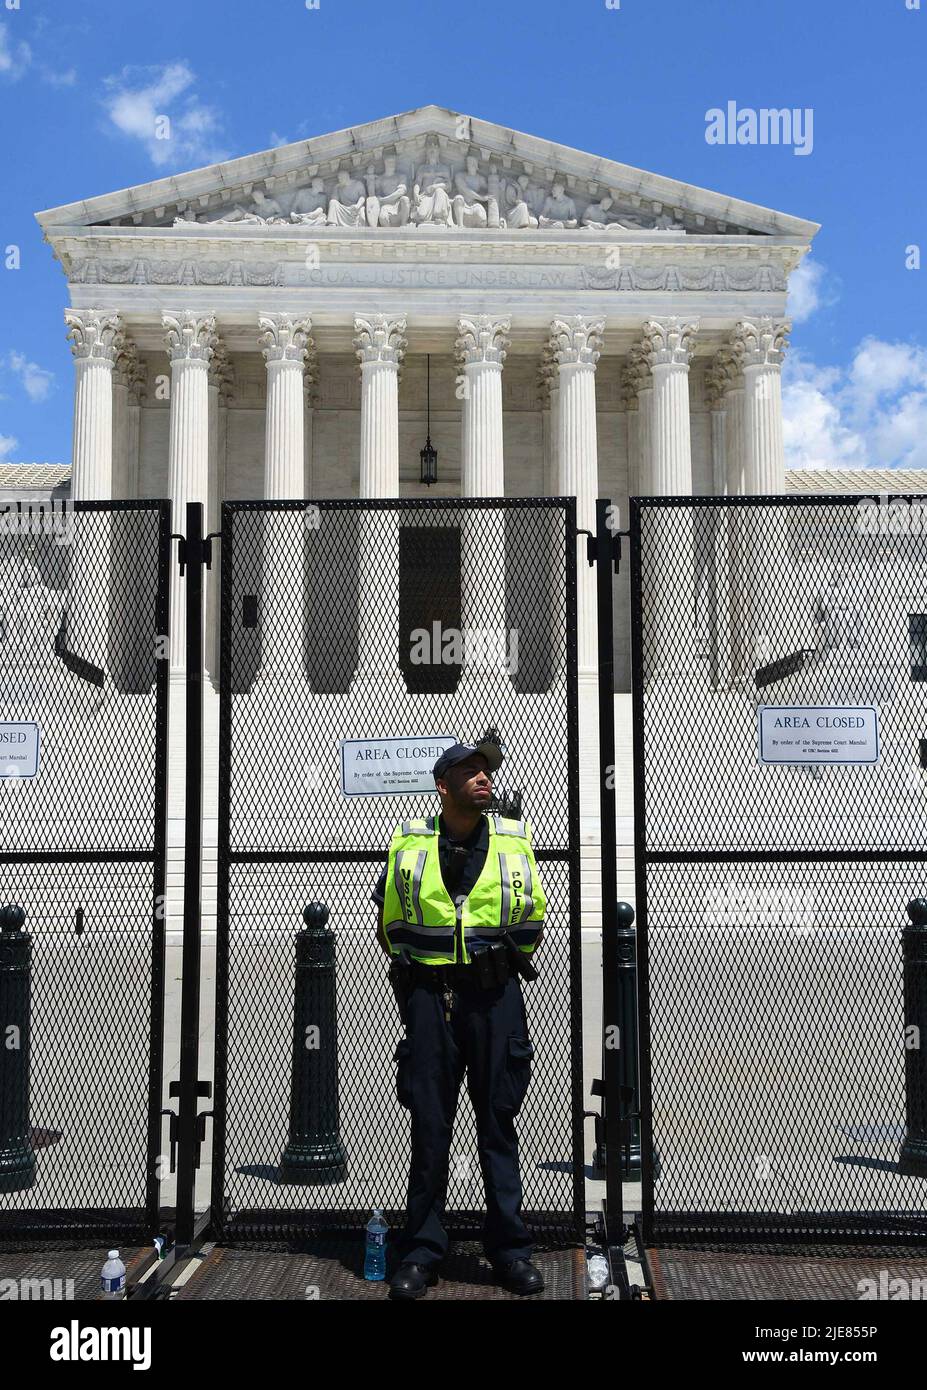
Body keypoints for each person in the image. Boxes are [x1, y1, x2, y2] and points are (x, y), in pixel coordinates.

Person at [371, 740, 547, 1299]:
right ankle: (422, 1251)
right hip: (430, 1000)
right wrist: (417, 984)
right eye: (469, 771)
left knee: (498, 1124)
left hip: (495, 1001)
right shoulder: (410, 844)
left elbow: (532, 921)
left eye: (486, 770)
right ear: (442, 786)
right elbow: (390, 922)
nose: (483, 777)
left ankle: (509, 1251)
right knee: (430, 1128)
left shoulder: (514, 842)